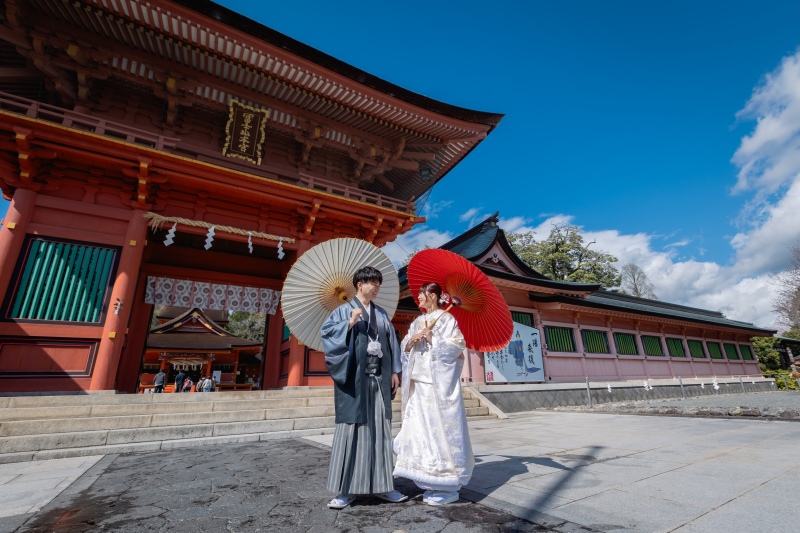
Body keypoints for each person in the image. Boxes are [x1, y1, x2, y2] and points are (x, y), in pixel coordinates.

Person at [321, 265, 408, 510]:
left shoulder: (381, 313)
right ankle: (345, 489)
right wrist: (349, 323)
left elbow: (391, 344)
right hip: (354, 380)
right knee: (351, 430)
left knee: (380, 430)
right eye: (373, 283)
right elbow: (327, 336)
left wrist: (394, 371)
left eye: (379, 284)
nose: (377, 288)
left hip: (379, 379)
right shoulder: (342, 311)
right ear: (360, 284)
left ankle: (384, 486)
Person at [393, 282, 473, 506]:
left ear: (434, 295)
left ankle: (447, 483)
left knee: (437, 431)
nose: (418, 296)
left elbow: (457, 347)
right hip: (418, 383)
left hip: (436, 385)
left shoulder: (447, 319)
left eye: (423, 293)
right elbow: (405, 348)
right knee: (419, 430)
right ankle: (426, 476)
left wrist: (433, 339)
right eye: (419, 292)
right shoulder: (417, 321)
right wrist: (411, 342)